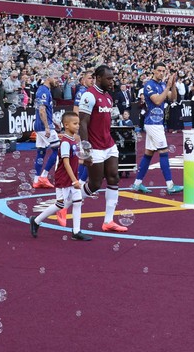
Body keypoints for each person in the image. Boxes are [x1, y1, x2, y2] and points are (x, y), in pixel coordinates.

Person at [77, 64, 127, 232]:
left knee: (114, 178)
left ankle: (108, 221)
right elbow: (82, 123)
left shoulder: (108, 96)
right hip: (95, 146)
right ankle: (64, 205)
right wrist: (85, 150)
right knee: (95, 184)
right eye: (109, 78)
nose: (112, 81)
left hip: (109, 144)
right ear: (98, 78)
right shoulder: (89, 96)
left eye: (112, 78)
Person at [29, 109, 91, 241]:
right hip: (64, 178)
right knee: (60, 204)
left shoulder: (72, 140)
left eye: (78, 123)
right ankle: (36, 220)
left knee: (78, 202)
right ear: (66, 125)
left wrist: (85, 161)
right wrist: (75, 180)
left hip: (71, 176)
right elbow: (66, 163)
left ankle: (76, 231)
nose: (78, 126)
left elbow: (74, 159)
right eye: (75, 123)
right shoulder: (65, 142)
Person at [132, 62, 180, 194]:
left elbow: (173, 98)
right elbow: (158, 101)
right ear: (153, 71)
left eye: (163, 70)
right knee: (164, 152)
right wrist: (167, 87)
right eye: (159, 70)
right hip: (152, 123)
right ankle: (170, 185)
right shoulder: (149, 85)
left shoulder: (163, 85)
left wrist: (173, 85)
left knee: (149, 153)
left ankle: (137, 183)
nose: (161, 73)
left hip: (158, 123)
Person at [31, 67, 59, 188]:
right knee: (57, 150)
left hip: (41, 125)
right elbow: (42, 110)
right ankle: (44, 176)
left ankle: (36, 179)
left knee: (41, 152)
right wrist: (48, 127)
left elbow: (45, 111)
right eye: (56, 77)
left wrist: (54, 121)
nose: (57, 80)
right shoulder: (43, 91)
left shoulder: (44, 90)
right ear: (48, 78)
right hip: (44, 126)